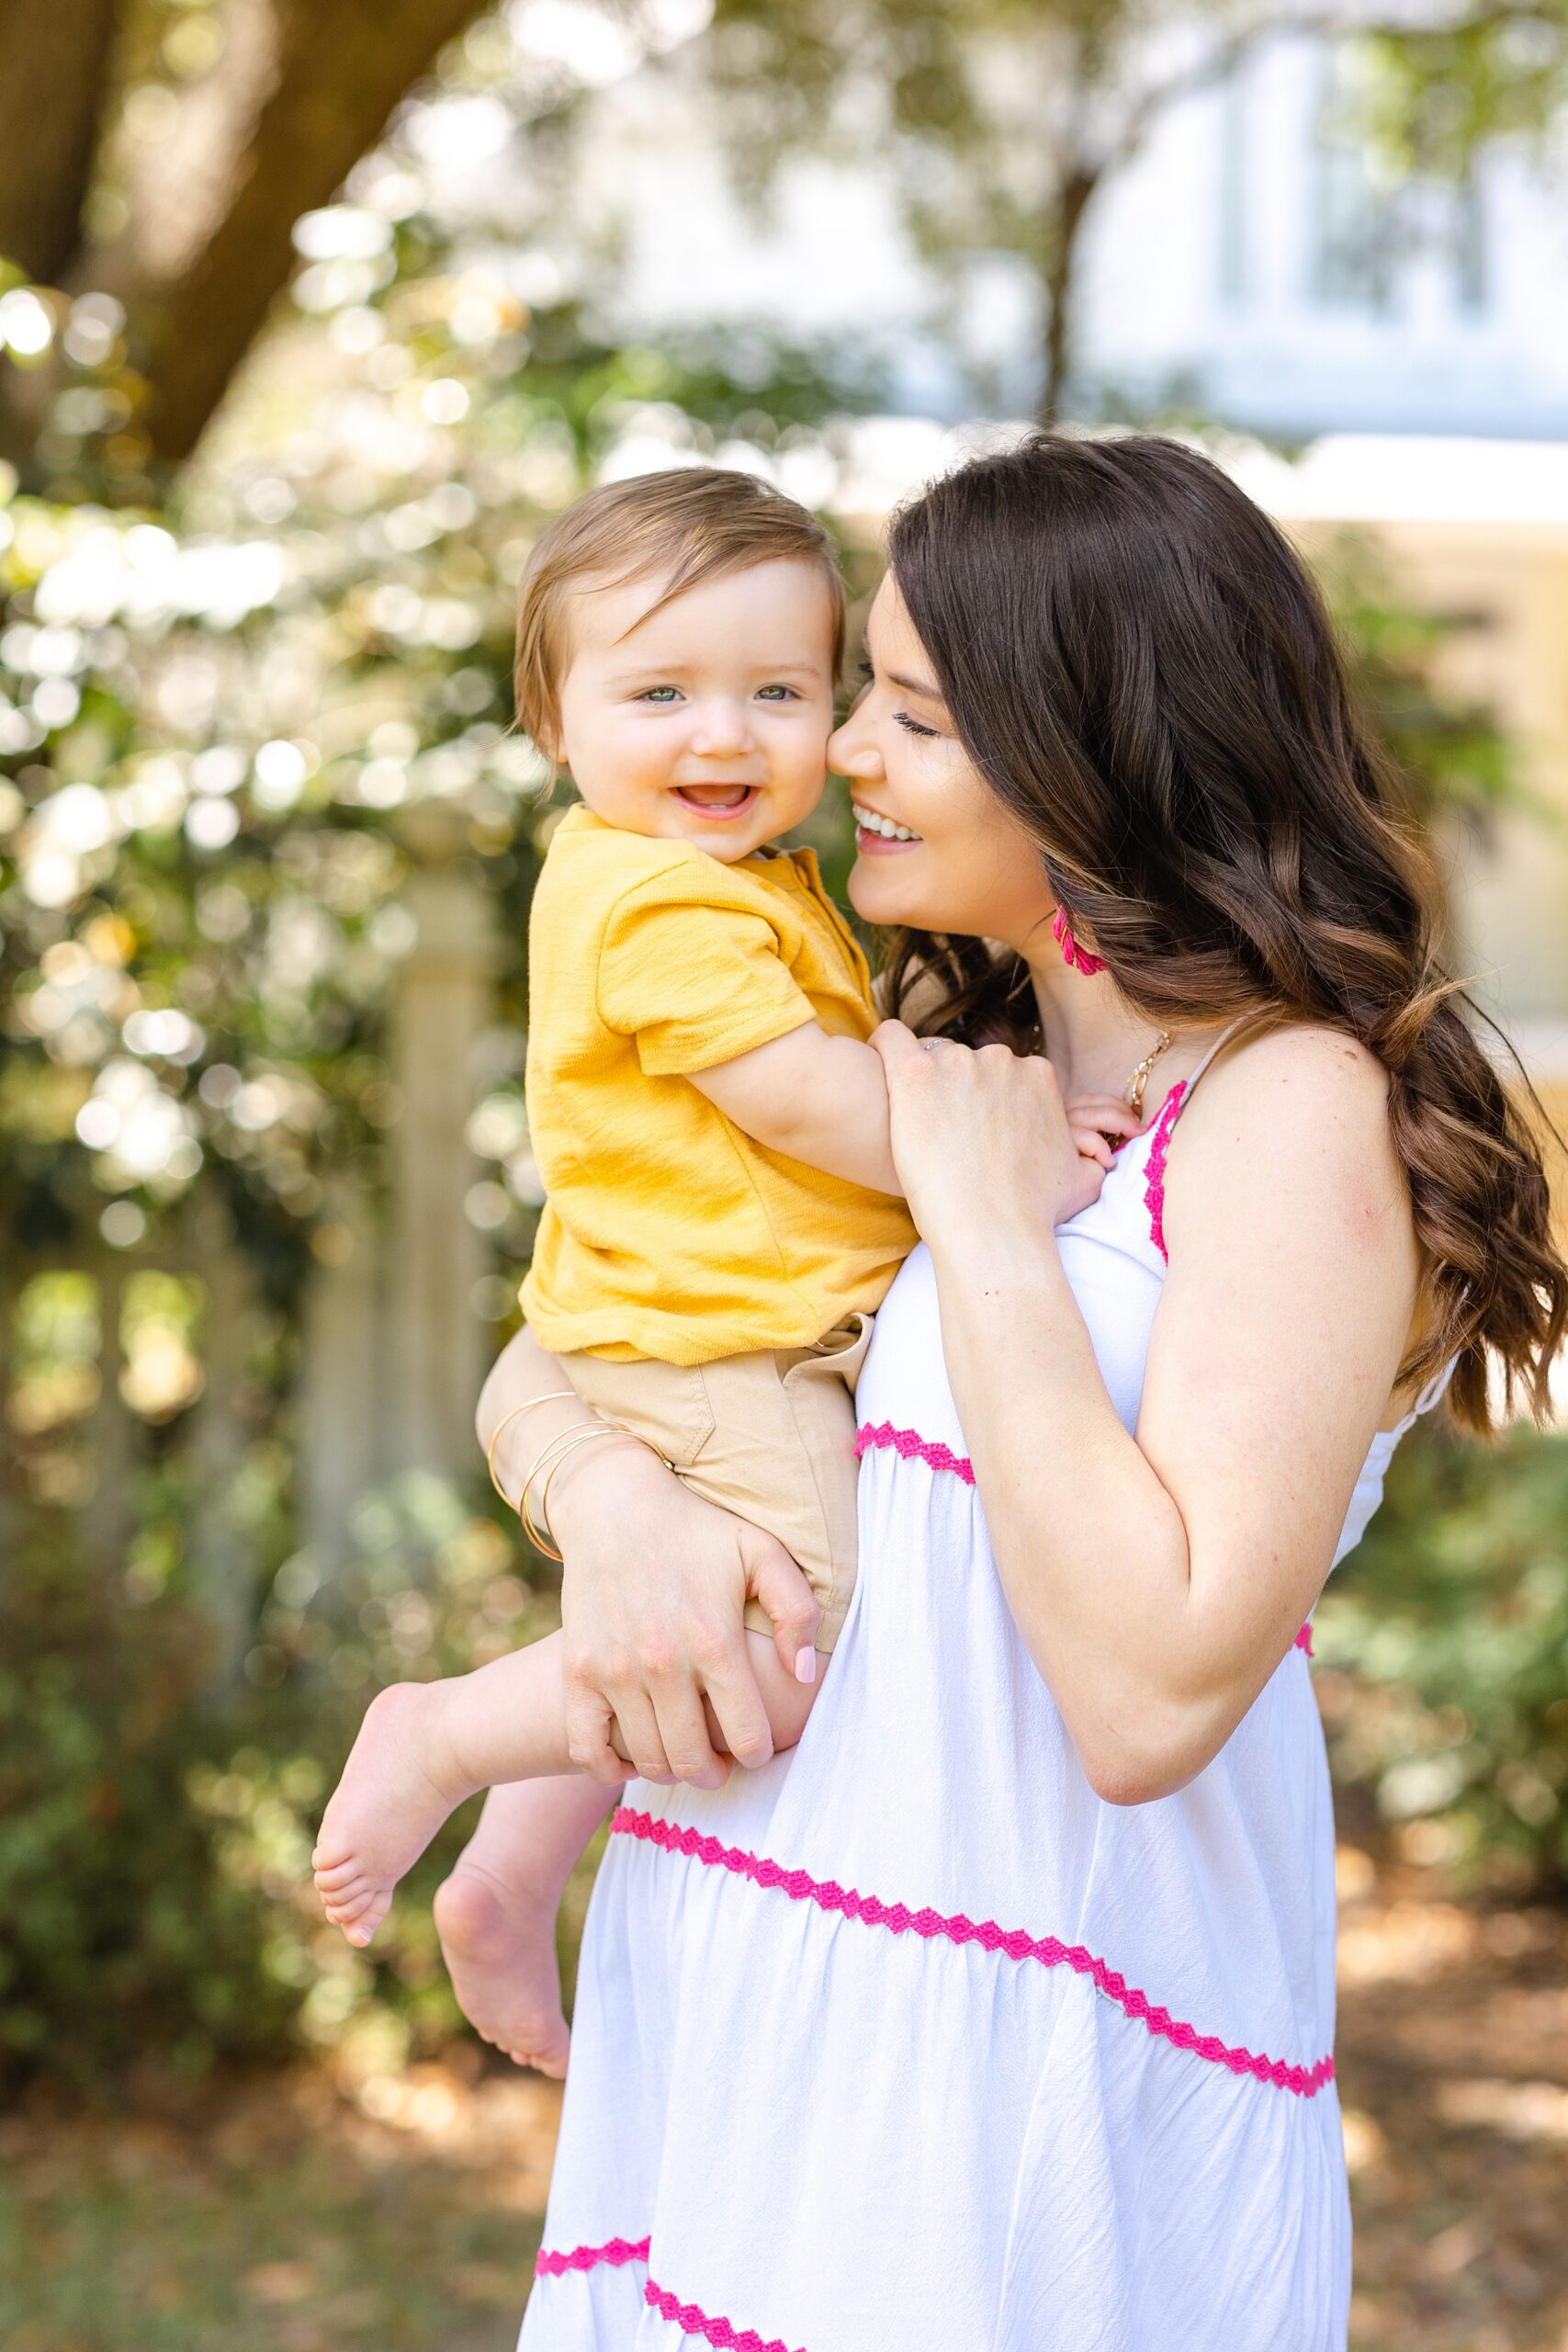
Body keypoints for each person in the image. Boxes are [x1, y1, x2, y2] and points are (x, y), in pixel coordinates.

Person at [471, 434, 1564, 2350]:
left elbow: (1147, 1692)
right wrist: (617, 1509)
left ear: (1084, 748)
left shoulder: (1280, 1108)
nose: (844, 761)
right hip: (762, 1949)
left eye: (898, 707)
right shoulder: (938, 1055)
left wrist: (982, 1230)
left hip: (1025, 2070)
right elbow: (585, 1322)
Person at [310, 468, 1117, 1973]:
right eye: (661, 690)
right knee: (789, 1648)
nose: (724, 733)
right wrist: (1009, 1156)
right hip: (725, 1350)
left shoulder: (725, 879)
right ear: (555, 725)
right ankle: (445, 1734)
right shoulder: (660, 908)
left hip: (670, 1328)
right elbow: (804, 1099)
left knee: (652, 1628)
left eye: (779, 689)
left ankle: (513, 1867)